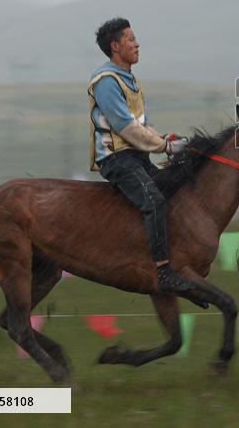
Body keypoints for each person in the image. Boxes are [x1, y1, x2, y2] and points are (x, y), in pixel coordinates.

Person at [88, 17, 193, 293]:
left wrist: (163, 138)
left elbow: (142, 125)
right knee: (155, 202)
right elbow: (126, 127)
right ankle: (162, 272)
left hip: (137, 157)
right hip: (116, 159)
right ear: (115, 46)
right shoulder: (106, 81)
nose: (137, 44)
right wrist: (166, 148)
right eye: (131, 39)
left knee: (173, 193)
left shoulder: (130, 81)